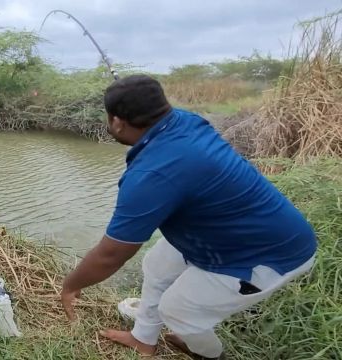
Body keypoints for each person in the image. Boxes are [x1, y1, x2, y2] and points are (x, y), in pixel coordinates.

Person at [60, 75, 317, 359]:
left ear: (118, 122)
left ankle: (207, 354)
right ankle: (143, 339)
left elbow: (112, 254)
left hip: (267, 254)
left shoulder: (150, 175)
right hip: (239, 229)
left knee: (178, 312)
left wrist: (71, 285)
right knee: (157, 264)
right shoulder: (184, 120)